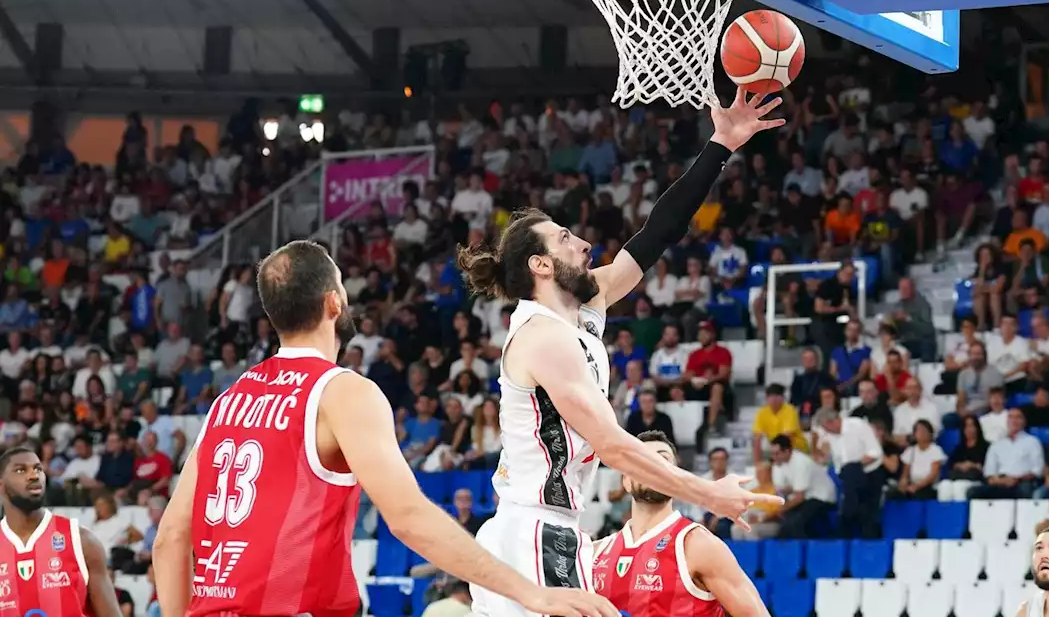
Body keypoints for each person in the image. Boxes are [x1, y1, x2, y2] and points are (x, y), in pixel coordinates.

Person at [153, 241, 616, 617]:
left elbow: (172, 537)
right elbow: (409, 518)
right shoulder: (341, 391)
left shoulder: (227, 402)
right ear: (335, 302)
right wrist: (532, 593)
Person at [455, 88, 784, 617]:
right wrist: (708, 494)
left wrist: (720, 144)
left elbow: (659, 233)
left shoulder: (586, 306)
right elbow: (611, 444)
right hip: (533, 528)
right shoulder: (542, 335)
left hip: (549, 528)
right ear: (541, 267)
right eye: (565, 239)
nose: (584, 245)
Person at [592, 431, 767, 617]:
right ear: (626, 481)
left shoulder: (700, 545)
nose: (653, 467)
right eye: (642, 460)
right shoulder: (596, 553)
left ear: (677, 478)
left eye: (662, 460)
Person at [0, 445, 123, 617]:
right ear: (1, 485)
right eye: (20, 470)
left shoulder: (81, 540)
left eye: (38, 469)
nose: (33, 475)